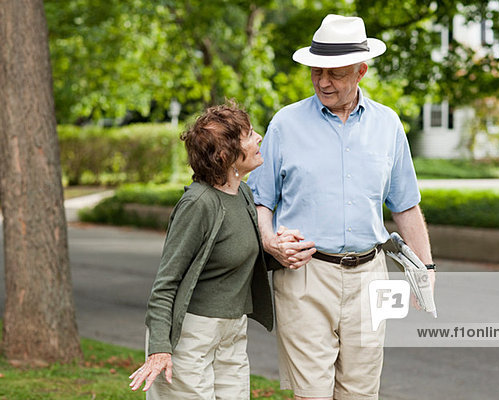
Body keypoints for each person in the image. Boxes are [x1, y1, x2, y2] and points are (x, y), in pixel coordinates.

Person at [247, 14, 435, 400]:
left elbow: (406, 206)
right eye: (317, 72)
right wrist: (269, 241)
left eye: (335, 73)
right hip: (304, 275)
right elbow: (261, 199)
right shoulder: (285, 124)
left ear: (361, 71)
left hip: (371, 277)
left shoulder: (388, 125)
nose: (323, 82)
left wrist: (426, 268)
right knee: (311, 394)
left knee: (360, 393)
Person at [129, 102, 273, 399]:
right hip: (191, 334)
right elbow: (166, 282)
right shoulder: (199, 204)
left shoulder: (243, 193)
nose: (259, 137)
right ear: (226, 155)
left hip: (233, 329)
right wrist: (159, 348)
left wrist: (281, 250)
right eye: (248, 135)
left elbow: (239, 257)